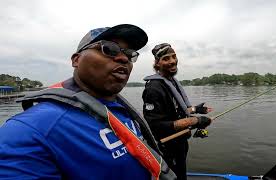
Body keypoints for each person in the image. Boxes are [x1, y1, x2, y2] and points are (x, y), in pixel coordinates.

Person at [0, 24, 176, 180]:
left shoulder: (118, 108)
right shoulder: (31, 130)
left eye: (130, 55)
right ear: (76, 60)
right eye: (108, 49)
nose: (123, 59)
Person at [142, 43, 213, 180]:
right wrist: (196, 120)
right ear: (157, 63)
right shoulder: (153, 89)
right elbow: (156, 125)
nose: (173, 61)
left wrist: (197, 110)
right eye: (166, 58)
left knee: (181, 173)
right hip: (167, 146)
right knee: (175, 176)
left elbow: (176, 108)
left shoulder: (171, 81)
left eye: (174, 57)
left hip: (180, 141)